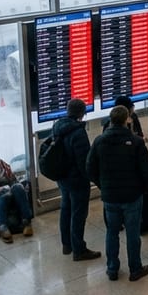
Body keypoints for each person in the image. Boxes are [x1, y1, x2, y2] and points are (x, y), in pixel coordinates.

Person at [86, 104, 148, 282]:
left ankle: (112, 269)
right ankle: (135, 268)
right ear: (127, 120)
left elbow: (90, 168)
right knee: (133, 233)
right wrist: (144, 189)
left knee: (112, 232)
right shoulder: (136, 142)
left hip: (110, 196)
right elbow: (147, 170)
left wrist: (103, 186)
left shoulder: (99, 141)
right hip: (132, 196)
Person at [52, 98, 100, 261]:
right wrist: (92, 178)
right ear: (82, 114)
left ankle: (67, 244)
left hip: (62, 177)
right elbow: (84, 161)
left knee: (66, 209)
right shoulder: (78, 132)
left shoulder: (57, 127)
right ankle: (79, 249)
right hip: (77, 180)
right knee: (79, 214)